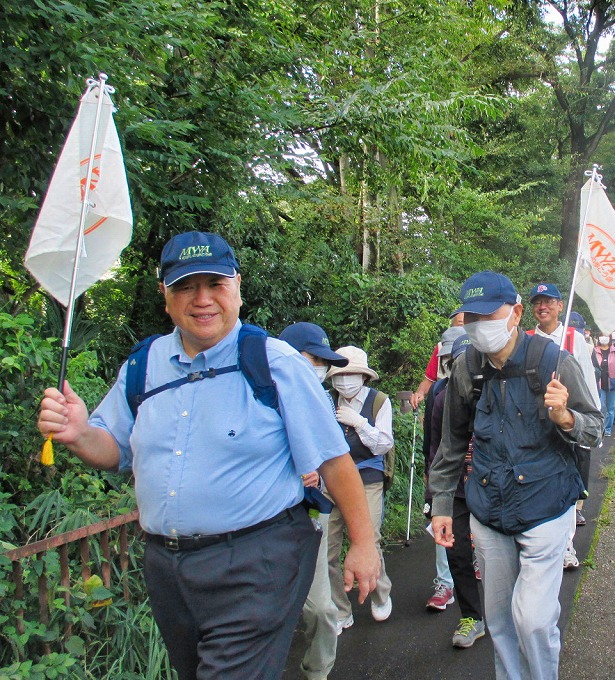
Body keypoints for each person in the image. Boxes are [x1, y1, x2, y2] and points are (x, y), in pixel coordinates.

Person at [36, 232, 378, 680]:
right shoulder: (143, 365)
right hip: (167, 568)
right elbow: (112, 449)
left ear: (237, 286)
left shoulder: (273, 363)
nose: (202, 299)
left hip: (257, 560)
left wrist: (364, 544)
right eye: (185, 286)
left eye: (215, 283)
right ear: (165, 295)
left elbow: (334, 461)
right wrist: (79, 432)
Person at [430, 271, 603, 680]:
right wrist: (439, 505)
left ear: (516, 313)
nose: (480, 325)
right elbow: (451, 444)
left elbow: (594, 427)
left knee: (533, 619)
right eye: (471, 317)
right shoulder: (466, 368)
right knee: (501, 621)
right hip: (489, 510)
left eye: (489, 314)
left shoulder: (553, 360)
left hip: (546, 506)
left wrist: (565, 416)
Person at [278, 322, 351, 680]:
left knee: (322, 610)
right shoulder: (256, 394)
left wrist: (317, 476)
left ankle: (317, 673)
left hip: (310, 514)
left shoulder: (322, 399)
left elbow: (333, 461)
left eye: (324, 362)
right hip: (264, 521)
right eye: (315, 359)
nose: (321, 369)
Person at [324, 346, 395, 628]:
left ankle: (380, 594)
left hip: (366, 475)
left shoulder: (379, 402)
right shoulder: (326, 399)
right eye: (340, 374)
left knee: (369, 540)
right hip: (330, 478)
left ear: (363, 376)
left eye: (351, 374)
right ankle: (341, 609)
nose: (345, 380)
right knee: (326, 547)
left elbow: (383, 444)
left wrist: (360, 423)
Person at [423, 333, 486, 648]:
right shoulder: (439, 396)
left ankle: (510, 613)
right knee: (458, 553)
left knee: (496, 554)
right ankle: (472, 617)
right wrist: (434, 493)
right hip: (456, 485)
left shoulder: (492, 393)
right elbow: (434, 446)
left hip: (491, 486)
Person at [528, 285, 599, 550]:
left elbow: (588, 384)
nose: (542, 307)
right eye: (538, 302)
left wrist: (592, 424)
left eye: (548, 302)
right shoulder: (525, 339)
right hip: (536, 424)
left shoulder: (573, 338)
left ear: (560, 306)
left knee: (568, 483)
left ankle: (567, 545)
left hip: (568, 421)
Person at [421, 326, 465, 614]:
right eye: (449, 361)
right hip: (445, 474)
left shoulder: (485, 388)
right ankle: (444, 583)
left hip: (477, 473)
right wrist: (430, 473)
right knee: (441, 524)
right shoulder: (438, 391)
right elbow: (431, 439)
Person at [411, 312, 465, 409]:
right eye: (461, 324)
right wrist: (419, 394)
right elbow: (429, 380)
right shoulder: (441, 348)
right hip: (443, 404)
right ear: (452, 327)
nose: (464, 329)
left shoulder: (477, 348)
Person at [594, 334, 615, 437]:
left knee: (610, 408)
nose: (604, 338)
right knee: (600, 407)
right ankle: (600, 428)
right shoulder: (594, 351)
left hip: (612, 383)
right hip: (599, 384)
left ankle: (607, 429)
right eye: (601, 335)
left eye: (606, 335)